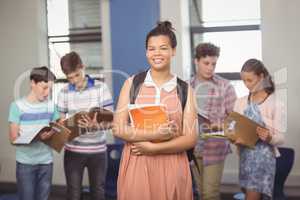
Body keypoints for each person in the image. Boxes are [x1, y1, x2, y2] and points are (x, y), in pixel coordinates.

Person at [112, 21, 198, 200]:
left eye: (163, 48)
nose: (157, 53)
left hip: (173, 164)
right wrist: (154, 133)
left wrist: (154, 149)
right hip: (137, 163)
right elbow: (118, 128)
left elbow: (190, 138)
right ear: (146, 52)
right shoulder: (132, 84)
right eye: (151, 49)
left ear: (173, 51)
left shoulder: (185, 90)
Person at [57, 51, 113, 200]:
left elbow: (111, 122)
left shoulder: (101, 88)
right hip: (73, 152)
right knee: (73, 194)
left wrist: (97, 126)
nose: (74, 80)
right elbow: (60, 121)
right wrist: (59, 130)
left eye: (76, 75)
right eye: (69, 78)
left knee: (98, 193)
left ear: (83, 67)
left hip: (98, 152)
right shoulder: (63, 92)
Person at [189, 43, 237, 200]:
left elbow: (235, 119)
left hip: (215, 147)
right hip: (192, 147)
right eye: (206, 63)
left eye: (213, 64)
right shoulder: (186, 86)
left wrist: (220, 126)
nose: (210, 68)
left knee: (210, 194)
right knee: (200, 192)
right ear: (196, 61)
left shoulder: (225, 86)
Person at [233, 58, 285, 200]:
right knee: (248, 193)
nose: (247, 85)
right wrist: (234, 139)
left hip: (263, 160)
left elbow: (281, 138)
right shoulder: (240, 102)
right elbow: (234, 129)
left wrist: (269, 137)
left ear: (261, 77)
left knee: (252, 195)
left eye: (250, 80)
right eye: (244, 81)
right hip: (245, 158)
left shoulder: (275, 103)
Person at [8, 66, 59, 200]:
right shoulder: (17, 106)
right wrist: (36, 137)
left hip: (46, 162)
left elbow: (59, 128)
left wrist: (53, 134)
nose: (47, 93)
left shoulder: (51, 106)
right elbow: (13, 139)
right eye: (44, 88)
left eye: (50, 89)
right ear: (32, 83)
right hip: (25, 164)